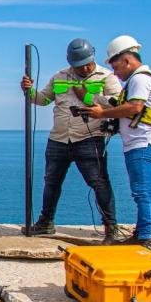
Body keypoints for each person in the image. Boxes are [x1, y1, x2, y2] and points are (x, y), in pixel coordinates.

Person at [20, 38, 123, 243]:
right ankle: (45, 222)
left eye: (87, 64)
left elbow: (117, 105)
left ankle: (111, 227)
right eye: (79, 65)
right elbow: (43, 99)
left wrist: (87, 97)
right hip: (59, 138)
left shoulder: (107, 77)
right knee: (51, 182)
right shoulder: (60, 77)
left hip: (89, 138)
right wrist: (29, 91)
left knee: (99, 183)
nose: (84, 68)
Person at [83, 36, 151, 254]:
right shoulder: (138, 80)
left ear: (127, 60)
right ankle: (142, 233)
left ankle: (147, 237)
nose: (115, 73)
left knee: (143, 191)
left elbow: (135, 107)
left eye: (116, 67)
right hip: (141, 142)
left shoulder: (139, 79)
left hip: (144, 143)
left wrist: (102, 114)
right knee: (141, 191)